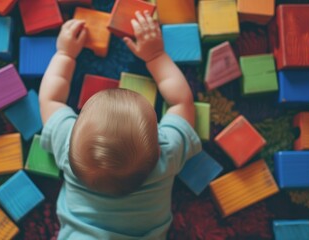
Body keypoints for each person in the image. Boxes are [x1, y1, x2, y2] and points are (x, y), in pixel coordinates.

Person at [39, 10, 202, 239]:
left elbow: (50, 99)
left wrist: (64, 54)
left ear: (73, 133)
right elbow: (181, 102)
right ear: (159, 144)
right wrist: (156, 56)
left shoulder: (67, 146)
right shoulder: (167, 155)